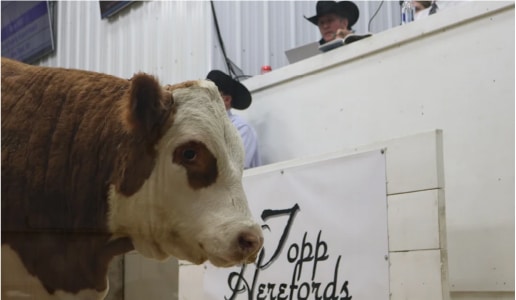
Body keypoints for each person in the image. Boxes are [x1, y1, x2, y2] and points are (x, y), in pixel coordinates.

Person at [206, 70, 261, 169]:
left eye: (210, 95)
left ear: (226, 100)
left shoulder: (241, 128)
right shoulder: (204, 128)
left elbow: (234, 168)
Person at [305, 1, 371, 46]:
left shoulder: (362, 44)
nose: (325, 26)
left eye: (330, 20)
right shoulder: (314, 54)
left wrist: (350, 39)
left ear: (344, 23)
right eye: (321, 23)